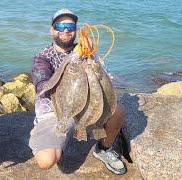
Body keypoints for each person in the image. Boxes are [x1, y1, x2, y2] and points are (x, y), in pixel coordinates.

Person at [29, 9, 127, 175]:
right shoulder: (43, 57)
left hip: (87, 107)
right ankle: (62, 137)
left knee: (117, 111)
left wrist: (104, 77)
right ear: (52, 30)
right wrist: (72, 59)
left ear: (75, 29)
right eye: (60, 25)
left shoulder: (86, 51)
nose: (66, 29)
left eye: (70, 25)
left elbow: (101, 75)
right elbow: (42, 87)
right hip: (57, 113)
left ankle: (103, 148)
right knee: (46, 161)